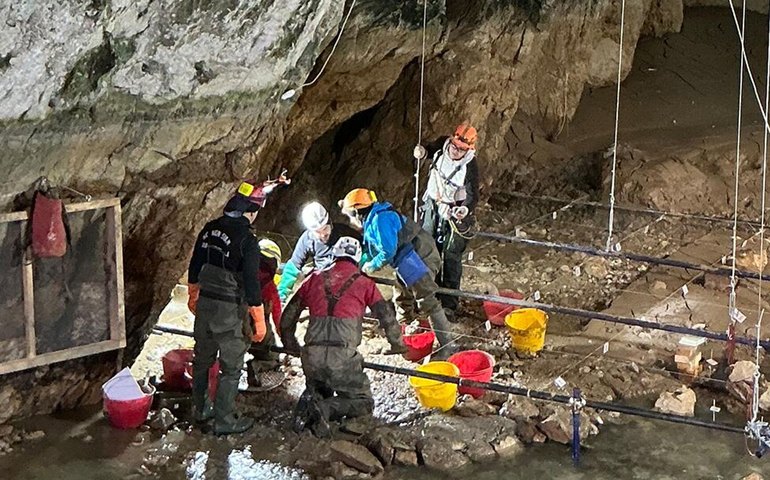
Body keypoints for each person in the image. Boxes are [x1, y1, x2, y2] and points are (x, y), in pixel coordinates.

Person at [187, 175, 288, 435]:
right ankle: (225, 421)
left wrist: (193, 294)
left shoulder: (209, 228)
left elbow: (195, 265)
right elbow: (252, 284)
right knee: (231, 368)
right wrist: (258, 320)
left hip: (206, 305)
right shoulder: (247, 240)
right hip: (229, 310)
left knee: (202, 360)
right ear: (250, 214)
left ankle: (200, 411)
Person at [280, 236, 406, 437]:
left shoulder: (313, 278)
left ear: (334, 255)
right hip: (343, 361)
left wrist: (290, 344)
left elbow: (287, 317)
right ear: (357, 258)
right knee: (363, 402)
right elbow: (387, 317)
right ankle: (327, 409)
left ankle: (310, 404)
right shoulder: (365, 283)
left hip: (312, 357)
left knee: (318, 385)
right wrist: (398, 344)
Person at [339, 188, 459, 359]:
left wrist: (370, 267)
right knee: (401, 292)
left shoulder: (381, 219)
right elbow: (372, 248)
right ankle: (406, 331)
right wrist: (356, 264)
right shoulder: (372, 219)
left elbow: (387, 251)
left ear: (357, 212)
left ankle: (447, 345)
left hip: (419, 256)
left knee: (426, 299)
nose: (350, 220)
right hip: (406, 258)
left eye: (350, 215)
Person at [413, 123, 480, 322]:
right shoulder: (443, 145)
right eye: (454, 145)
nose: (455, 150)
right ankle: (428, 295)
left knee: (451, 255)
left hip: (453, 211)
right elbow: (429, 148)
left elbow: (472, 194)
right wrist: (422, 151)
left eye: (461, 149)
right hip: (432, 205)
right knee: (427, 248)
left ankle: (449, 303)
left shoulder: (470, 165)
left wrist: (464, 209)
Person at [277, 201, 360, 301]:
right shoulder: (307, 240)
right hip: (323, 284)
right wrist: (281, 294)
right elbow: (293, 268)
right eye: (317, 231)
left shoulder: (346, 233)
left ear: (329, 222)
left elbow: (365, 251)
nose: (322, 234)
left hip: (348, 282)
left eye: (325, 229)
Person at [245, 239, 284, 391]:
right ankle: (258, 365)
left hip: (231, 325)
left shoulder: (239, 273)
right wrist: (285, 340)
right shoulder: (269, 286)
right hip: (258, 331)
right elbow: (278, 317)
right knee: (272, 355)